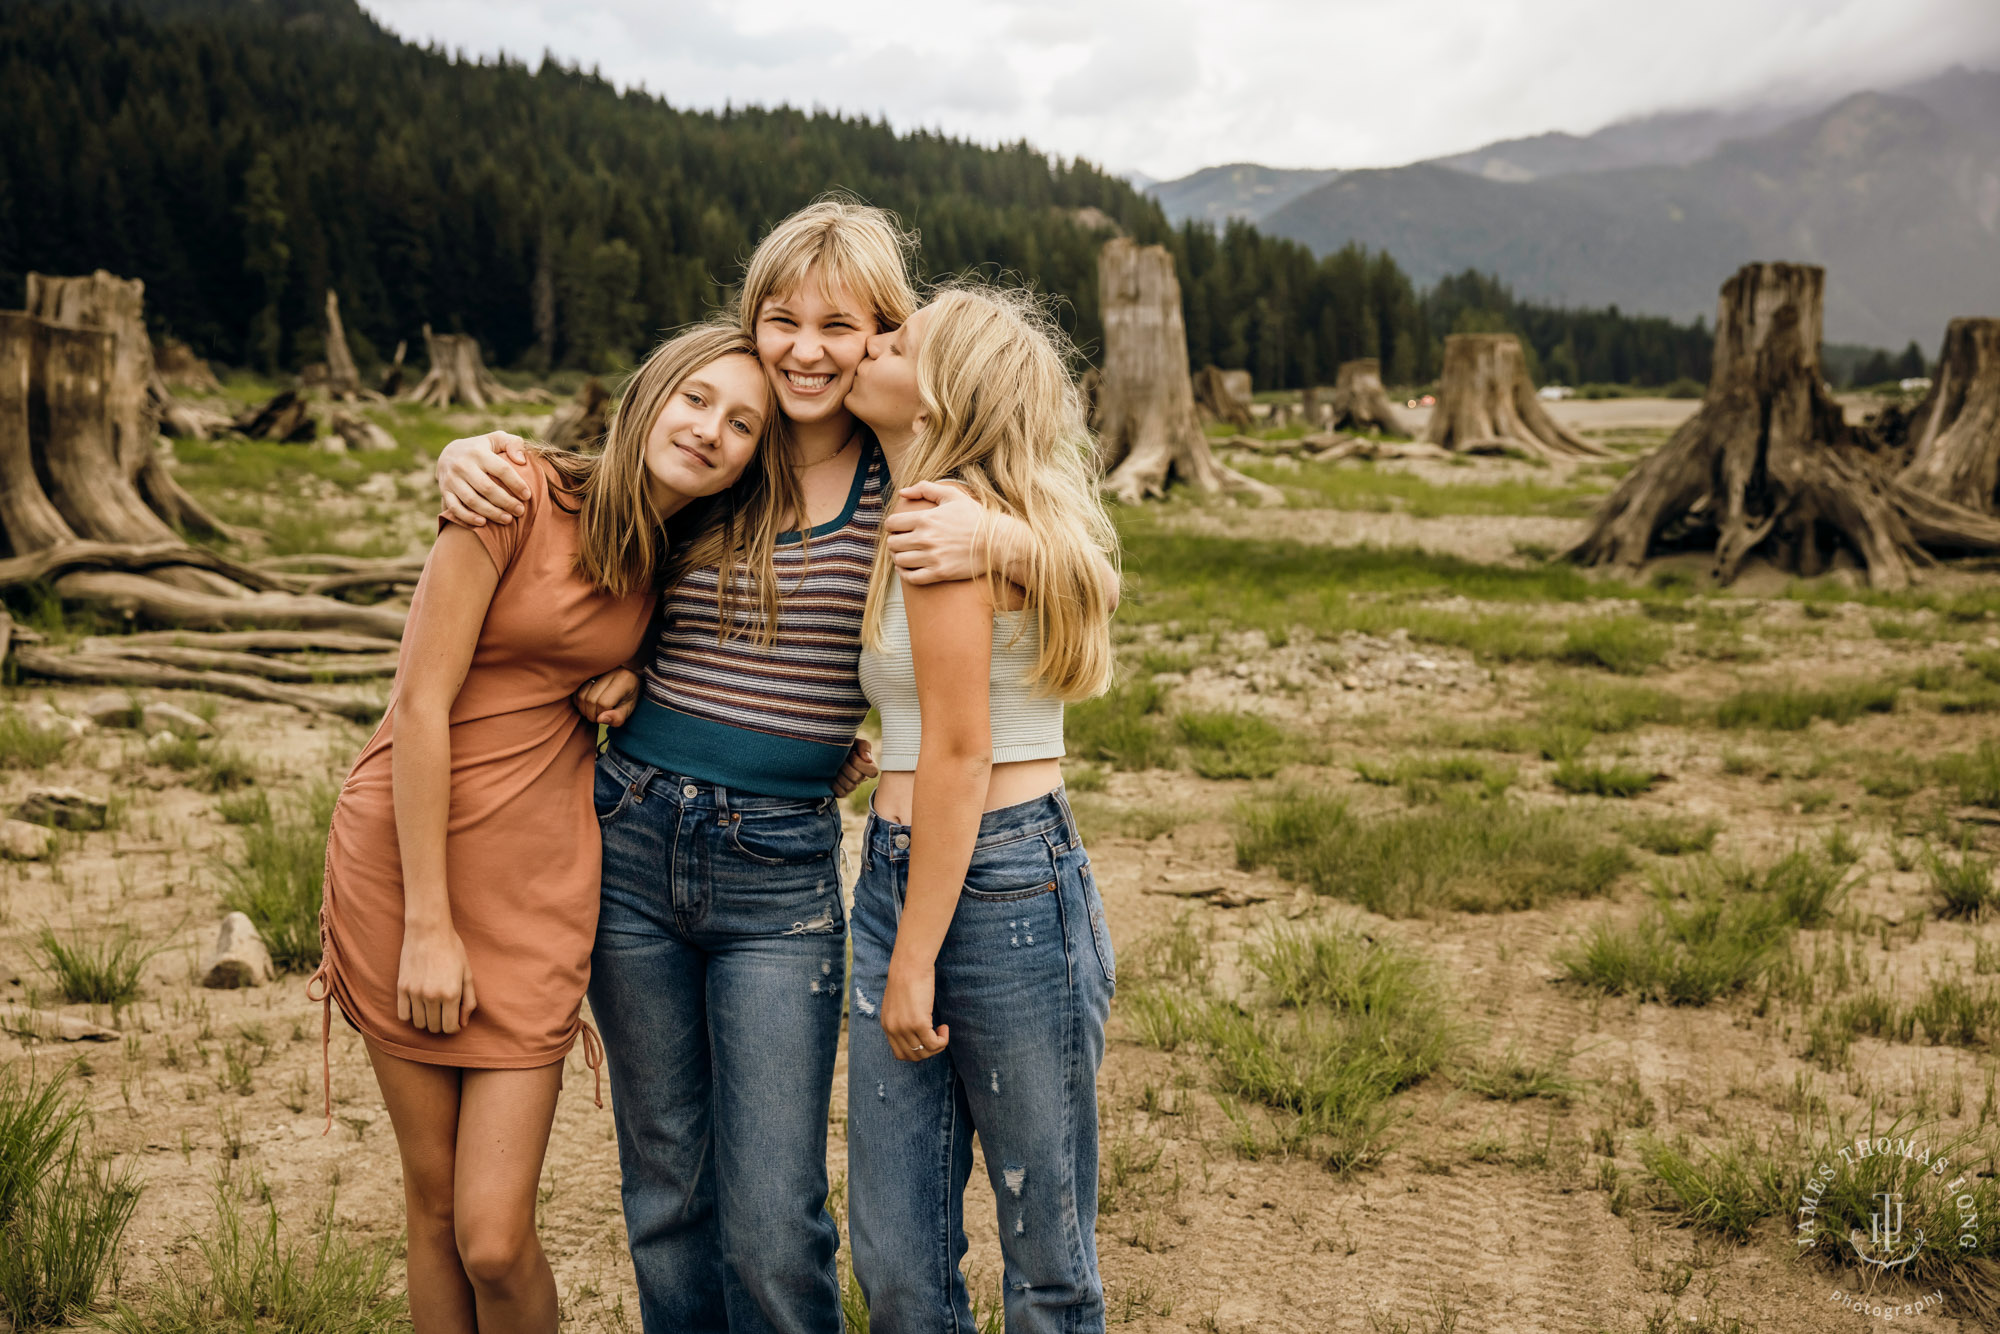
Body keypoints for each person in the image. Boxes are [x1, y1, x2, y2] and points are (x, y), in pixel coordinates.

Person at [433, 201, 1119, 1334]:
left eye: (842, 325)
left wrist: (1006, 542)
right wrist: (468, 456)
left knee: (772, 1211)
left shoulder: (905, 478)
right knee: (666, 1184)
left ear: (884, 337)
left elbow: (1064, 545)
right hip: (640, 825)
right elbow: (588, 506)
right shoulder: (725, 452)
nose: (806, 348)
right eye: (779, 319)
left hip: (786, 859)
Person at [310, 323, 773, 1334]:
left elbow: (678, 669)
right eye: (697, 399)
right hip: (405, 861)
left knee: (491, 1231)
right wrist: (428, 924)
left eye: (741, 423)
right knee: (433, 1210)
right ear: (650, 391)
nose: (709, 431)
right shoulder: (510, 491)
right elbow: (419, 704)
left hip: (538, 882)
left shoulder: (683, 552)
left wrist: (633, 676)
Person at [841, 285, 1119, 1334]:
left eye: (894, 341)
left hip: (997, 880)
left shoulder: (941, 521)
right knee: (899, 1256)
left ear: (940, 391)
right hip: (908, 865)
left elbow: (963, 751)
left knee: (1045, 1252)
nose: (866, 347)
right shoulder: (933, 506)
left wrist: (912, 956)